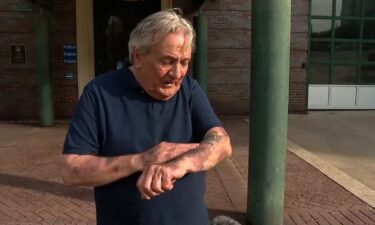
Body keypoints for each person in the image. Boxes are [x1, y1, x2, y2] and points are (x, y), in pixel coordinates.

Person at [61, 8, 232, 225]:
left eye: (184, 62)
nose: (178, 73)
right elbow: (71, 170)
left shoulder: (190, 91)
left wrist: (179, 165)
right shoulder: (99, 93)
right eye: (167, 61)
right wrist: (141, 160)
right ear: (138, 57)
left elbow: (222, 143)